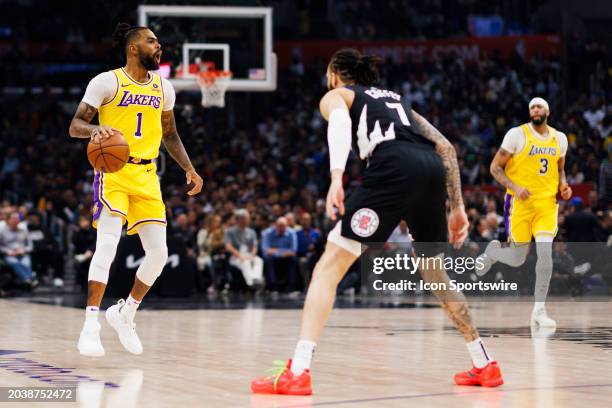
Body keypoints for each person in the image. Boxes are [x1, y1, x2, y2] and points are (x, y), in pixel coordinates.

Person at [251, 48, 503, 395]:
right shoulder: (398, 102)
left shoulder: (338, 94)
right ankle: (484, 363)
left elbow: (339, 123)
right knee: (434, 271)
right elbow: (445, 148)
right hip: (428, 170)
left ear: (336, 74)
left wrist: (336, 176)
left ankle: (299, 370)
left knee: (328, 267)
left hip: (393, 169)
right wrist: (457, 206)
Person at [69, 23, 203, 357]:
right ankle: (90, 326)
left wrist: (188, 167)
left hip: (147, 176)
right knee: (108, 245)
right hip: (113, 172)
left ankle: (125, 313)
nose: (160, 46)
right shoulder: (106, 81)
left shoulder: (163, 87)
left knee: (158, 254)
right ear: (133, 48)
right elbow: (75, 125)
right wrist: (96, 129)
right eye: (152, 41)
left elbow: (169, 134)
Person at [479, 97, 571, 328]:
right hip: (519, 204)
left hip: (546, 205)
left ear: (547, 111)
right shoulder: (516, 135)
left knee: (545, 255)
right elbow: (494, 168)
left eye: (539, 106)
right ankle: (493, 253)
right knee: (518, 258)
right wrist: (515, 187)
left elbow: (560, 170)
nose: (535, 110)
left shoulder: (559, 139)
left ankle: (539, 311)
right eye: (532, 107)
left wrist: (564, 186)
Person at [225, 209, 263, 288]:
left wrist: (252, 255)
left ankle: (256, 279)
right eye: (247, 218)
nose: (249, 220)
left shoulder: (252, 232)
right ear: (240, 219)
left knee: (258, 260)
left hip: (249, 254)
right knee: (245, 262)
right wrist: (239, 255)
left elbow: (254, 246)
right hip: (236, 256)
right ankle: (251, 283)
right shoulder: (229, 231)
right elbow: (228, 246)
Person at [261, 216, 299, 293]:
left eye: (283, 226)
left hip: (286, 257)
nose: (281, 228)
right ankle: (272, 287)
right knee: (267, 258)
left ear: (287, 226)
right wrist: (282, 252)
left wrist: (276, 251)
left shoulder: (292, 233)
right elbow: (266, 250)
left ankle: (291, 286)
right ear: (275, 225)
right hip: (273, 257)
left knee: (293, 259)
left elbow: (293, 251)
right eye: (279, 226)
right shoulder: (268, 233)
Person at [0, 211, 36, 288]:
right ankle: (29, 280)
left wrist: (24, 250)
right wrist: (7, 251)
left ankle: (27, 281)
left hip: (22, 253)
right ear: (8, 220)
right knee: (14, 262)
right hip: (9, 254)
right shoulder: (2, 231)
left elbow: (30, 246)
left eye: (17, 218)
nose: (16, 220)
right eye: (13, 218)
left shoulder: (24, 230)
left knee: (25, 263)